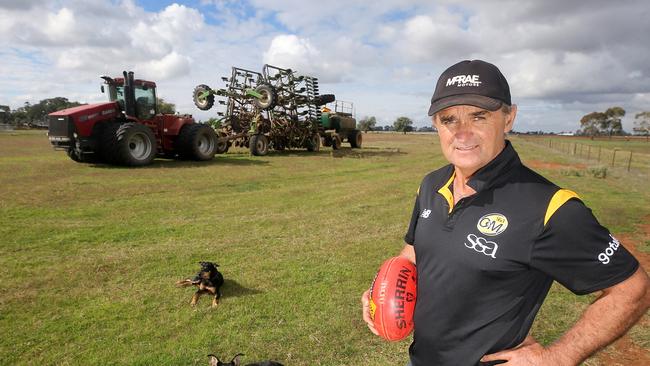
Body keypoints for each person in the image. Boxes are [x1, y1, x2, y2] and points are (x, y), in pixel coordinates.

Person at [361, 59, 650, 366]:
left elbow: (632, 288)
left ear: (509, 117)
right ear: (436, 125)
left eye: (479, 116)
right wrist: (381, 290)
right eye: (449, 119)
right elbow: (413, 253)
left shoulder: (550, 207)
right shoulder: (431, 185)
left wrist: (558, 357)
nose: (462, 133)